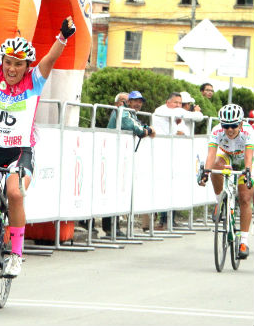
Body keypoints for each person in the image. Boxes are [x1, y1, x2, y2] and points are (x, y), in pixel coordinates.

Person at [0, 0, 76, 277]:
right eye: (9, 62)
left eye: (19, 64)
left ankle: (15, 254)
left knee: (14, 193)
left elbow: (50, 59)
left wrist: (62, 36)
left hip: (20, 152)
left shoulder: (35, 81)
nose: (12, 69)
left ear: (27, 66)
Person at [198, 104, 253, 259]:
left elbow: (249, 156)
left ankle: (243, 242)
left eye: (234, 125)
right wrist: (206, 173)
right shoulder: (216, 131)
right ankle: (220, 201)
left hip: (246, 160)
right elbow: (211, 154)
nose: (229, 130)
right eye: (226, 126)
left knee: (245, 197)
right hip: (227, 155)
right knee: (215, 165)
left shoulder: (248, 132)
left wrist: (247, 172)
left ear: (241, 123)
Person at [105, 90, 156, 236]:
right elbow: (135, 128)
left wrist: (145, 129)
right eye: (135, 100)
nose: (138, 103)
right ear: (129, 101)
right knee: (111, 190)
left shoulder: (131, 113)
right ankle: (110, 228)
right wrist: (146, 131)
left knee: (119, 190)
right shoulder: (124, 111)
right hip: (112, 154)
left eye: (140, 101)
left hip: (121, 157)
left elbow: (140, 126)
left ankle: (114, 227)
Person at [153, 92, 203, 229]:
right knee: (164, 187)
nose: (178, 106)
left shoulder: (176, 114)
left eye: (180, 103)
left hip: (173, 155)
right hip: (162, 153)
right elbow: (198, 117)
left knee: (173, 187)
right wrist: (197, 111)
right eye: (175, 102)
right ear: (167, 102)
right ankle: (163, 220)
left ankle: (169, 219)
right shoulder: (162, 110)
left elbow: (184, 132)